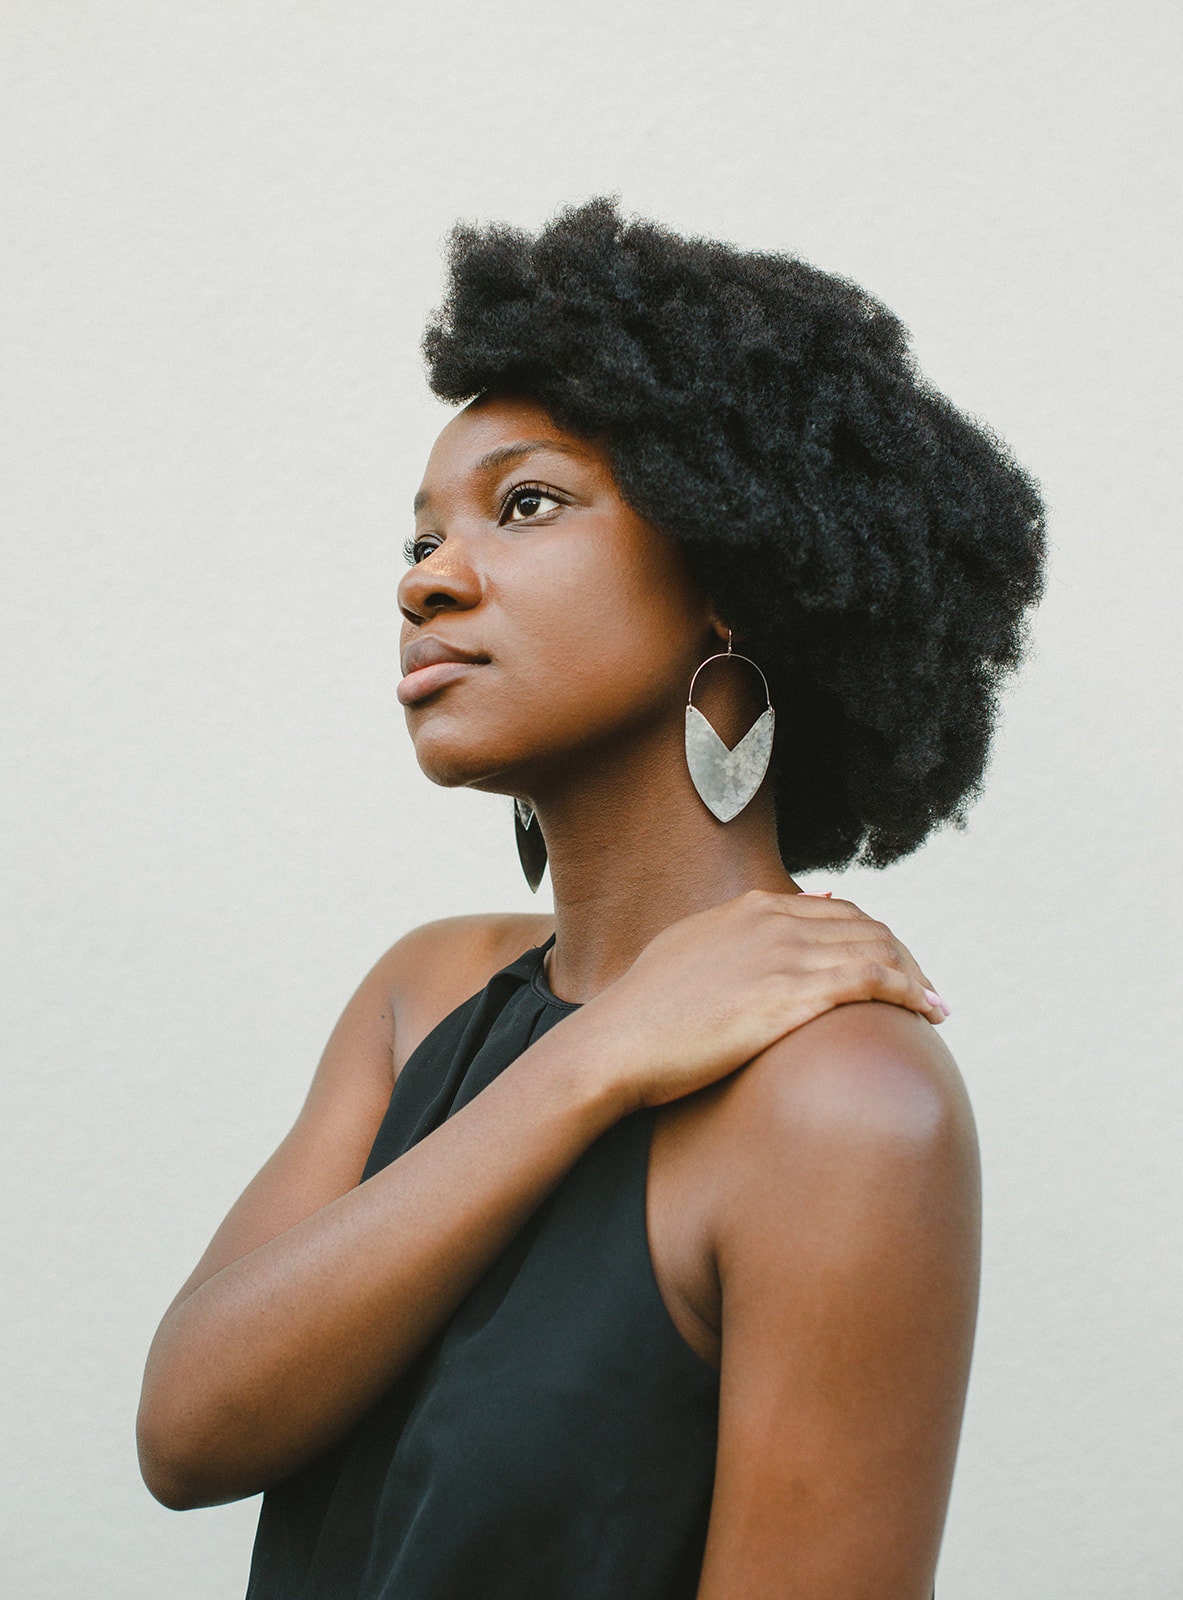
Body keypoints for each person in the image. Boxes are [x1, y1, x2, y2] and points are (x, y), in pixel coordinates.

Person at [137, 198, 1045, 1598]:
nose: (428, 580)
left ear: (728, 578)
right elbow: (186, 1432)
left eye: (526, 504)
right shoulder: (422, 995)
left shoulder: (848, 1103)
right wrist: (599, 1061)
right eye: (421, 535)